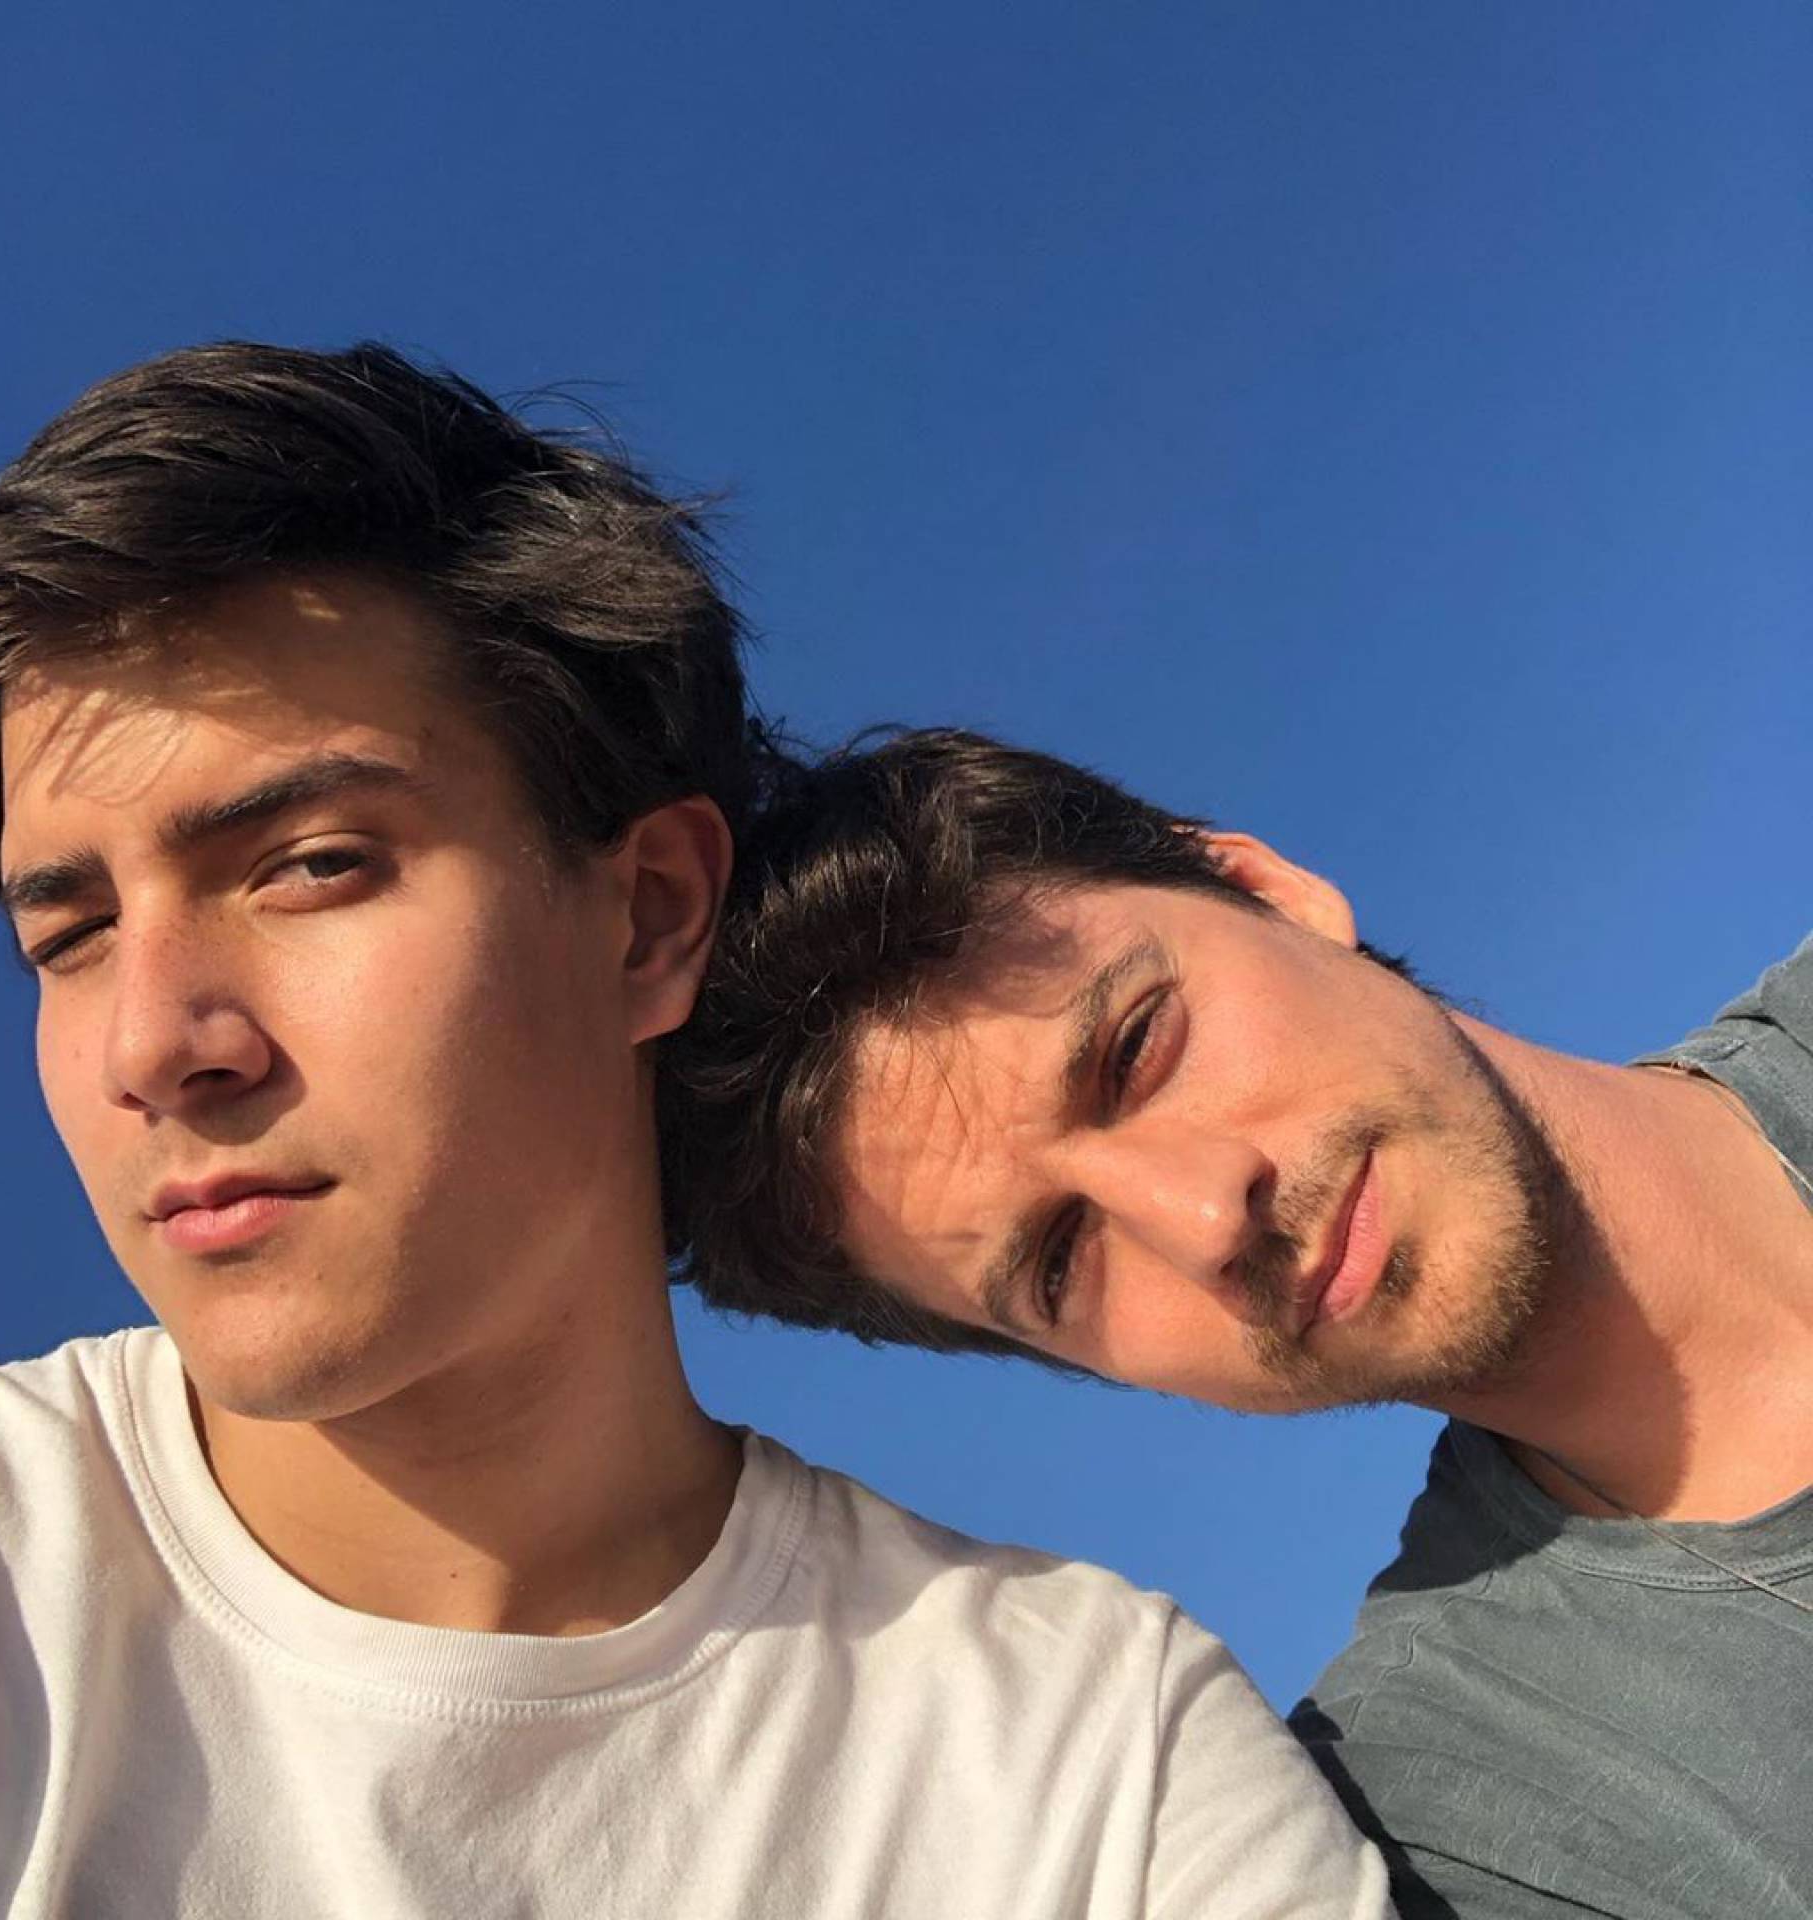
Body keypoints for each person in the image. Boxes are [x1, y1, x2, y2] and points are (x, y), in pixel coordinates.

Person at [0, 347, 1389, 1918]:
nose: (149, 1046)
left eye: (313, 865)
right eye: (70, 937)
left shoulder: (1087, 1767)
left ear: (651, 916)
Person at [668, 727, 1813, 1920]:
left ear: (1270, 890)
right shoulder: (1465, 1823)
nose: (1206, 1216)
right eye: (1060, 1259)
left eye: (1137, 1049)